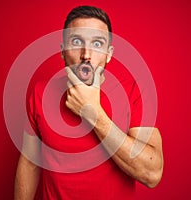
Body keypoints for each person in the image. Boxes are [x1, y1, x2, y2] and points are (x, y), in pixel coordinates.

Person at [15, 5, 163, 200]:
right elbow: (30, 164)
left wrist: (93, 113)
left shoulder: (133, 91)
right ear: (62, 51)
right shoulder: (41, 93)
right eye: (77, 42)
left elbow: (151, 174)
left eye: (97, 44)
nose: (86, 55)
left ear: (109, 53)